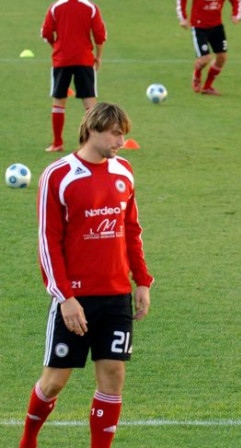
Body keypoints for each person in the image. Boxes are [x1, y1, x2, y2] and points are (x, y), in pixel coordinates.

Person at [19, 103, 153, 448]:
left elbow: (131, 229)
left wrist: (142, 281)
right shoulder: (59, 175)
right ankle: (28, 440)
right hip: (75, 299)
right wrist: (65, 297)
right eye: (115, 132)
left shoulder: (124, 171)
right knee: (54, 382)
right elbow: (48, 241)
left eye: (124, 133)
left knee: (114, 376)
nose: (122, 140)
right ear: (92, 130)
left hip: (116, 295)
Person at [41, 0, 107, 153]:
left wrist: (56, 47)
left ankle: (57, 143)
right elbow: (99, 35)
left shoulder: (55, 7)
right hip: (84, 60)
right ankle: (94, 143)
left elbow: (46, 33)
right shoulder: (90, 7)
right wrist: (98, 57)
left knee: (59, 101)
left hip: (61, 60)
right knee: (89, 102)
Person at [178, 0, 241, 96]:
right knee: (205, 59)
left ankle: (207, 87)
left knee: (222, 58)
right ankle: (197, 73)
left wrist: (236, 14)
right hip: (199, 27)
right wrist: (182, 17)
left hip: (217, 26)